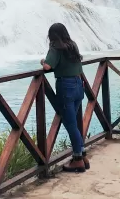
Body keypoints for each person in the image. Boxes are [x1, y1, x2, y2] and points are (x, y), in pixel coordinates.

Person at [40, 23, 90, 173]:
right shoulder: (72, 45)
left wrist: (43, 61)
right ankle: (83, 156)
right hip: (78, 84)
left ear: (52, 36)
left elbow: (47, 66)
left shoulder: (56, 47)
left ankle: (78, 160)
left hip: (66, 87)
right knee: (73, 123)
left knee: (70, 125)